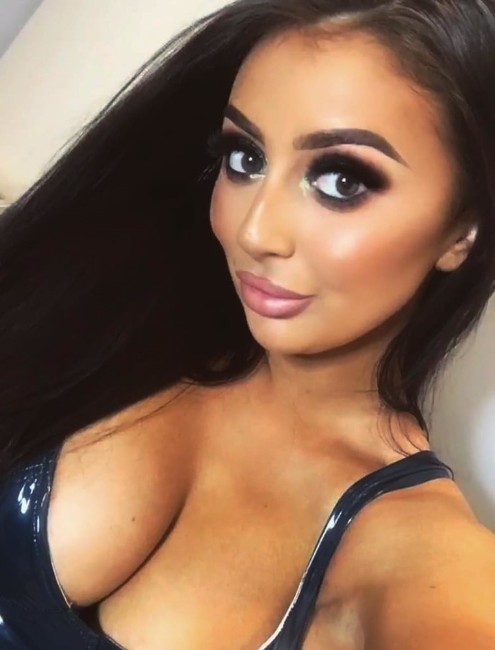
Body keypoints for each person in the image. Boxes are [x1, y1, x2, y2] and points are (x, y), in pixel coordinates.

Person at [0, 0, 494, 648]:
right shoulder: (129, 308)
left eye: (341, 180)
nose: (255, 230)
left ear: (461, 230)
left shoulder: (422, 557)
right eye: (244, 158)